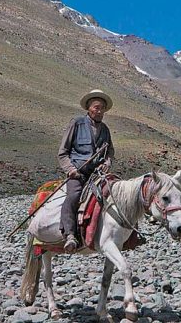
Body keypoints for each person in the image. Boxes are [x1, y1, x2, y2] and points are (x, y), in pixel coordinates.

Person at [58, 89, 115, 253]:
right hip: (78, 172)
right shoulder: (76, 123)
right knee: (74, 196)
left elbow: (110, 150)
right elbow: (63, 152)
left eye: (102, 108)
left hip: (97, 174)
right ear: (89, 108)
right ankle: (69, 235)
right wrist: (70, 169)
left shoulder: (105, 129)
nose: (100, 111)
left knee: (115, 194)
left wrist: (107, 161)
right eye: (96, 107)